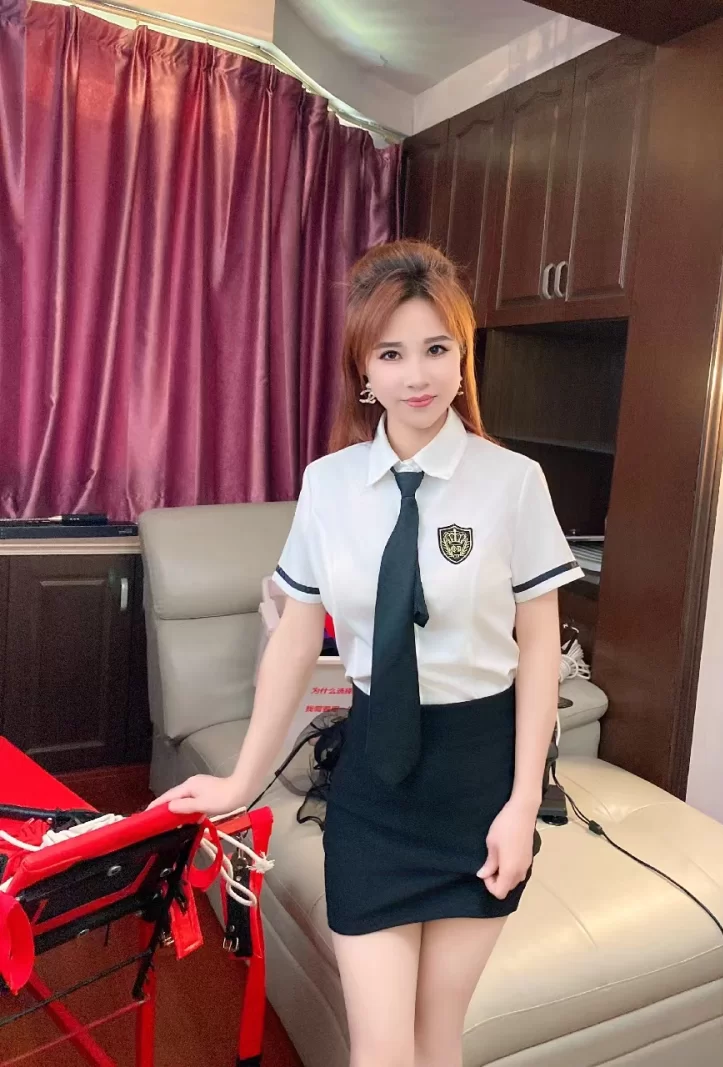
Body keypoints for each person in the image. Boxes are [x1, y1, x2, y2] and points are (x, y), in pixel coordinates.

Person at [151, 240, 584, 1067]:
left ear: (463, 357)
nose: (417, 375)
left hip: (479, 783)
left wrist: (523, 804)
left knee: (437, 1037)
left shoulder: (514, 482)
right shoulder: (329, 484)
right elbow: (294, 637)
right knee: (381, 1049)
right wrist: (243, 778)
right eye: (391, 353)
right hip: (374, 785)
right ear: (364, 368)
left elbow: (537, 651)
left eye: (436, 348)